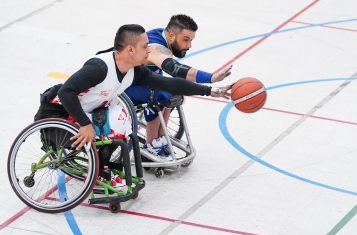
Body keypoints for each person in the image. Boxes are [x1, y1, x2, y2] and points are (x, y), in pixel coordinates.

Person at [34, 24, 231, 186]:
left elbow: (170, 83)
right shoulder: (99, 67)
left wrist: (210, 91)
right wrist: (85, 124)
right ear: (130, 49)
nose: (149, 50)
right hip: (57, 116)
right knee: (114, 122)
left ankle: (103, 169)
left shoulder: (134, 71)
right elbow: (65, 92)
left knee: (123, 119)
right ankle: (99, 171)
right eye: (145, 46)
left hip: (85, 112)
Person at [123, 14, 232, 158]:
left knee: (172, 92)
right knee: (161, 94)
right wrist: (211, 78)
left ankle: (160, 139)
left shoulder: (163, 36)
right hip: (124, 85)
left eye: (191, 40)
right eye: (185, 40)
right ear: (171, 35)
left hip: (141, 80)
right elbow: (175, 69)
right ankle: (151, 145)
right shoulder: (156, 47)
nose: (189, 45)